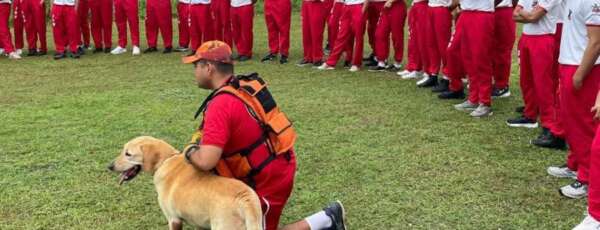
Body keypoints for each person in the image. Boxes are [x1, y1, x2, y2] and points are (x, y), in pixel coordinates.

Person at [181, 40, 346, 230]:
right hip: (276, 163)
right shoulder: (241, 85)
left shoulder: (220, 104)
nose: (194, 72)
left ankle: (329, 218)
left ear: (209, 68)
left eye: (196, 66)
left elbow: (206, 161)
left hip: (267, 179)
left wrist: (189, 150)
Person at [508, 0, 565, 150]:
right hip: (527, 37)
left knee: (543, 84)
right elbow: (515, 15)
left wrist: (526, 14)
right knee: (526, 80)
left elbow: (534, 17)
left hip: (543, 38)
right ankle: (530, 114)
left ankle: (548, 123)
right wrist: (528, 14)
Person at [441, 0, 496, 117]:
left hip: (482, 13)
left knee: (480, 59)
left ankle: (485, 102)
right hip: (466, 13)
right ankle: (474, 98)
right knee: (467, 58)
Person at [317, 0, 368, 72]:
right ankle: (330, 63)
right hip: (346, 6)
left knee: (358, 37)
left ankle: (356, 64)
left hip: (359, 6)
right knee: (341, 35)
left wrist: (363, 9)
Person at [416, 0, 452, 88]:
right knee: (431, 44)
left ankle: (447, 77)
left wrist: (448, 8)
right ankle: (433, 74)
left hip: (442, 8)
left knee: (443, 45)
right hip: (431, 7)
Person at [367, 0, 407, 72]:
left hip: (397, 6)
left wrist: (391, 1)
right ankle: (381, 62)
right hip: (386, 7)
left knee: (397, 36)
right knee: (379, 34)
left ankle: (397, 63)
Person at [491, 0, 516, 98]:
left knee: (502, 50)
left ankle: (502, 85)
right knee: (490, 49)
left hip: (503, 10)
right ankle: (494, 81)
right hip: (490, 10)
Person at [397, 0, 428, 79]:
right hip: (415, 5)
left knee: (419, 40)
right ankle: (411, 67)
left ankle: (417, 69)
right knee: (412, 39)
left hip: (423, 5)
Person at [298, 0, 329, 67]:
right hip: (306, 3)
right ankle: (308, 57)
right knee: (306, 32)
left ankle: (317, 58)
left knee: (316, 32)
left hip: (318, 4)